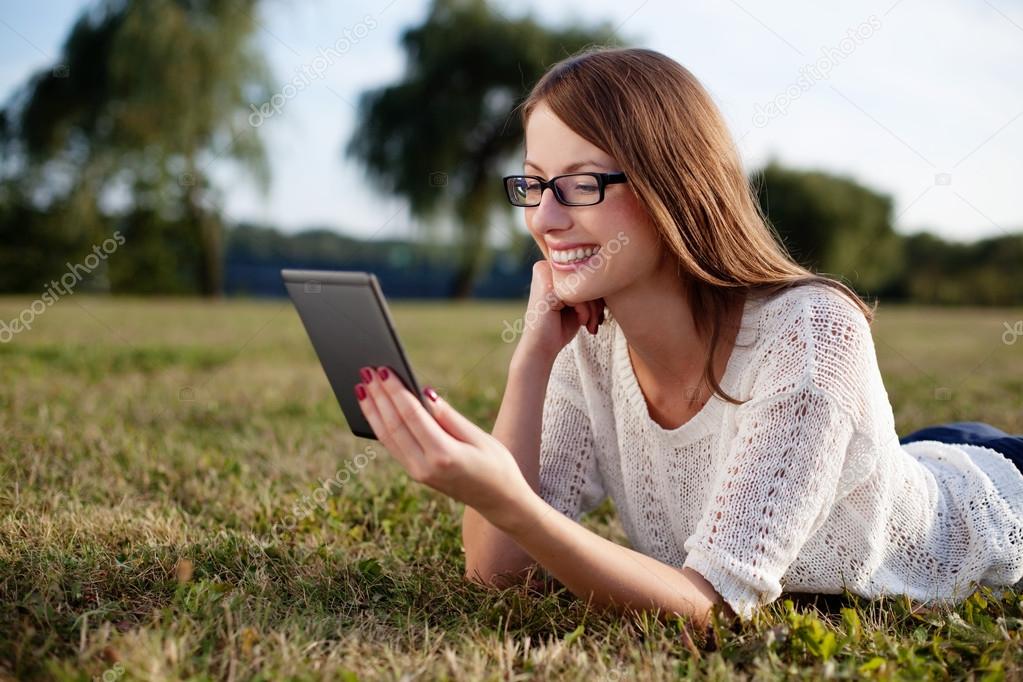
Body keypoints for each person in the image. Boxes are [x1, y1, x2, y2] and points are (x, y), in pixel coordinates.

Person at [352, 46, 1023, 635]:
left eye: (581, 184)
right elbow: (493, 572)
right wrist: (530, 360)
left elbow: (710, 610)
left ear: (670, 184)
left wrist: (510, 500)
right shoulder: (586, 337)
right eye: (532, 184)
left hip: (990, 494)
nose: (544, 217)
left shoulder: (812, 332)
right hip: (891, 468)